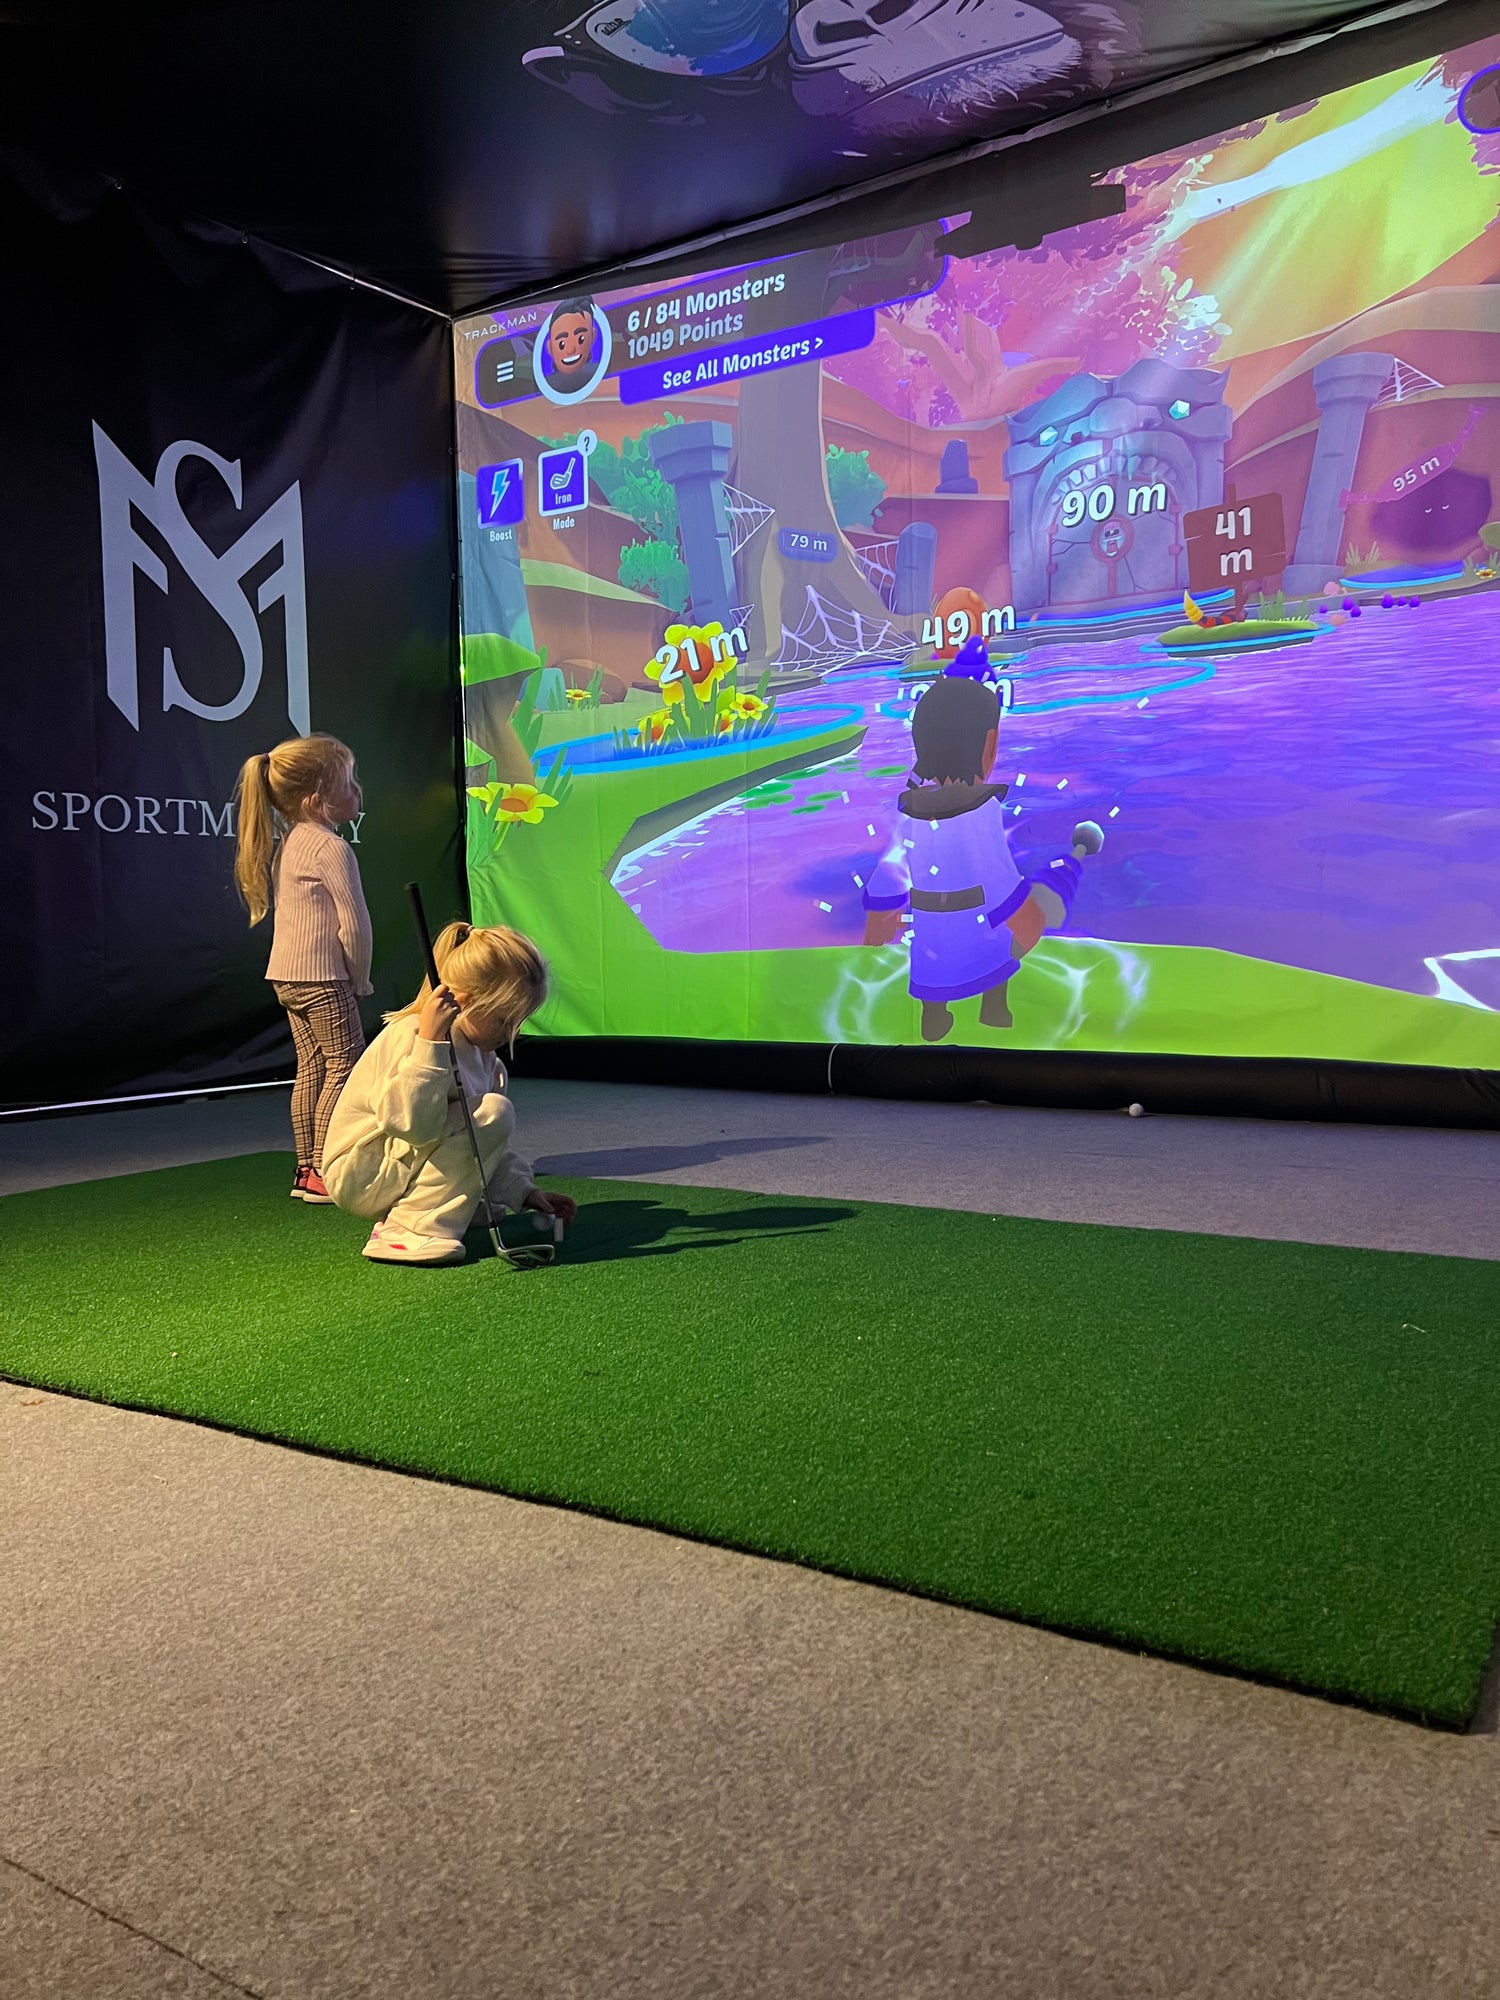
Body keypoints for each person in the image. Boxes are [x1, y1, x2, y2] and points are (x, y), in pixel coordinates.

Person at [861, 666, 1102, 1042]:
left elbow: (891, 870)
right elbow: (997, 876)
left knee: (934, 971)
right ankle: (994, 1009)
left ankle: (933, 1018)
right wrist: (1028, 920)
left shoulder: (910, 810)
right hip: (979, 933)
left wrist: (879, 917)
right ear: (990, 743)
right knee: (999, 950)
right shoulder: (982, 810)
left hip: (931, 942)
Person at [321, 921, 577, 1266]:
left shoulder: (489, 1063)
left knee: (493, 1113)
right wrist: (430, 1044)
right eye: (504, 1020)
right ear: (464, 1002)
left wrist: (525, 1192)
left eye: (519, 1022)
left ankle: (442, 1206)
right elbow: (412, 1127)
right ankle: (407, 1229)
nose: (511, 1033)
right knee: (494, 1110)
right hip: (362, 1174)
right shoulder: (412, 1034)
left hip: (396, 1165)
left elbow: (482, 1143)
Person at [235, 735, 372, 1203]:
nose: (357, 791)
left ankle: (307, 1168)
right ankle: (324, 1168)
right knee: (344, 1064)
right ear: (316, 800)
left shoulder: (292, 841)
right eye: (348, 783)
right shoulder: (331, 848)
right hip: (322, 977)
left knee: (312, 1066)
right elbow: (354, 924)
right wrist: (360, 976)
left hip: (288, 977)